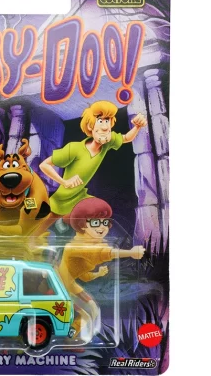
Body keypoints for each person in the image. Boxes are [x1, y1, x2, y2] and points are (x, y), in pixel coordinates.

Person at [38, 100, 147, 232]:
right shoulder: (74, 149)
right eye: (100, 121)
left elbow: (126, 138)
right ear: (90, 126)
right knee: (42, 227)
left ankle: (68, 220)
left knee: (100, 209)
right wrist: (64, 182)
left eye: (107, 121)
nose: (105, 126)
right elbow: (44, 165)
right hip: (62, 198)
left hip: (80, 195)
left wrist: (137, 126)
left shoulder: (107, 142)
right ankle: (61, 219)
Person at [58, 197, 145, 339]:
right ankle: (67, 336)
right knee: (86, 311)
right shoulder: (72, 247)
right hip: (57, 287)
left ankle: (69, 336)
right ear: (81, 225)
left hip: (69, 285)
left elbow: (83, 275)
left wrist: (97, 274)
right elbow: (100, 253)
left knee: (92, 310)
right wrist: (130, 253)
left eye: (105, 222)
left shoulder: (90, 244)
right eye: (95, 222)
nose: (102, 227)